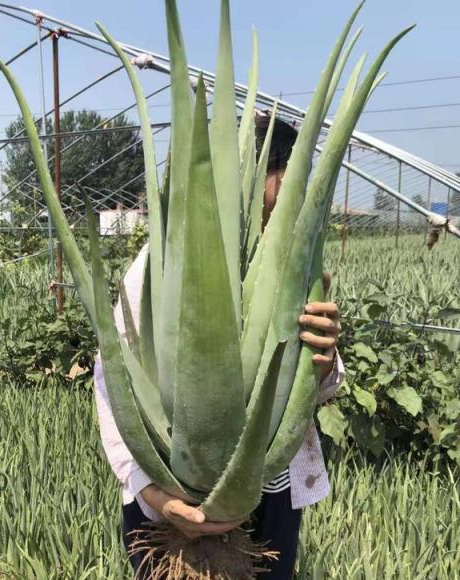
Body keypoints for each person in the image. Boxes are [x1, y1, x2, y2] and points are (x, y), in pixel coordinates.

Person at [93, 113, 344, 579]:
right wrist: (157, 497)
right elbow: (113, 384)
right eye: (284, 182)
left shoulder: (292, 266)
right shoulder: (158, 266)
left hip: (270, 485)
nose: (290, 200)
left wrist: (324, 362)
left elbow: (315, 388)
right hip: (170, 485)